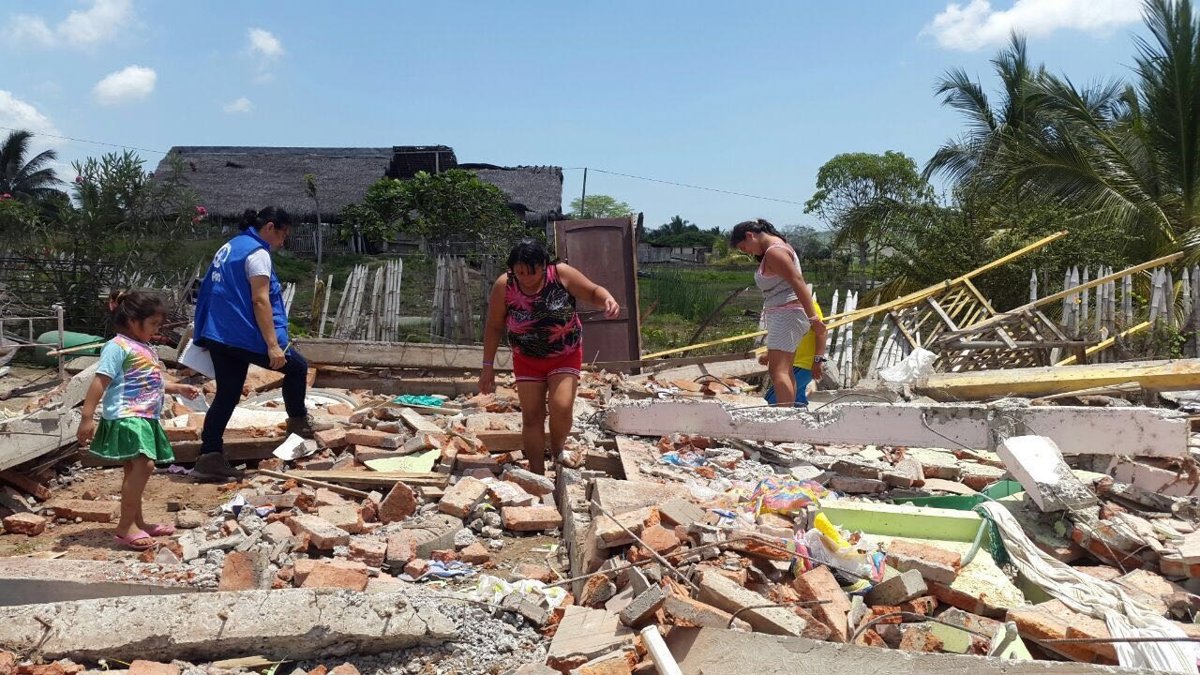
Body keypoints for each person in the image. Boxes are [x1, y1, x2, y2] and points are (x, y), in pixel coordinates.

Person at [191, 207, 324, 482]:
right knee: (297, 368)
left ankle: (209, 456)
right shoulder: (257, 253)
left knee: (227, 394)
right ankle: (299, 427)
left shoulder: (231, 246)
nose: (283, 242)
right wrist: (273, 345)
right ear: (270, 227)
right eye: (283, 234)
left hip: (220, 332)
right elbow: (260, 300)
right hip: (241, 333)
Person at [480, 238, 619, 475]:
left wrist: (607, 299)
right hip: (527, 359)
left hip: (564, 354)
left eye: (532, 272)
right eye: (520, 272)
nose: (526, 278)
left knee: (561, 406)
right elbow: (494, 326)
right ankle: (537, 473)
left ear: (544, 265)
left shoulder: (561, 275)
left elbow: (593, 291)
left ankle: (557, 450)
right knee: (532, 416)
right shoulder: (505, 285)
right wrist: (487, 366)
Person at [77, 291, 202, 550]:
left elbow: (148, 381)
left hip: (145, 416)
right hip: (127, 415)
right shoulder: (117, 346)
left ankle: (138, 522)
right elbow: (100, 381)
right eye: (153, 324)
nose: (156, 330)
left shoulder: (143, 347)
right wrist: (87, 417)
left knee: (133, 468)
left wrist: (177, 387)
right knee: (145, 464)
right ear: (133, 321)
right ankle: (125, 526)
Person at [730, 219, 827, 407]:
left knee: (779, 371)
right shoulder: (777, 249)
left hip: (787, 313)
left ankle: (783, 417)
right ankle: (787, 413)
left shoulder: (775, 252)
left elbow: (798, 281)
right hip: (786, 314)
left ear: (750, 235)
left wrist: (814, 318)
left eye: (744, 247)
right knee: (785, 370)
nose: (748, 252)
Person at [761, 298, 826, 406]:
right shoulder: (785, 306)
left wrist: (818, 360)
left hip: (801, 364)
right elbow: (784, 335)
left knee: (772, 401)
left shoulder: (808, 305)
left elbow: (821, 333)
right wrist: (769, 355)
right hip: (796, 364)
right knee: (797, 400)